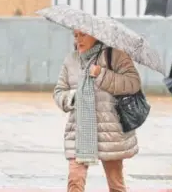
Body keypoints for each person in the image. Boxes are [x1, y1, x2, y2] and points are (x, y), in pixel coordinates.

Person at [54, 30, 141, 192]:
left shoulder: (115, 56)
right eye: (75, 35)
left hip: (110, 132)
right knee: (75, 180)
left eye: (83, 35)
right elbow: (59, 91)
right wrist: (71, 97)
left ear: (96, 35)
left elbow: (133, 83)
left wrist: (101, 74)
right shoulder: (71, 60)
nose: (78, 39)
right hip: (80, 131)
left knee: (116, 185)